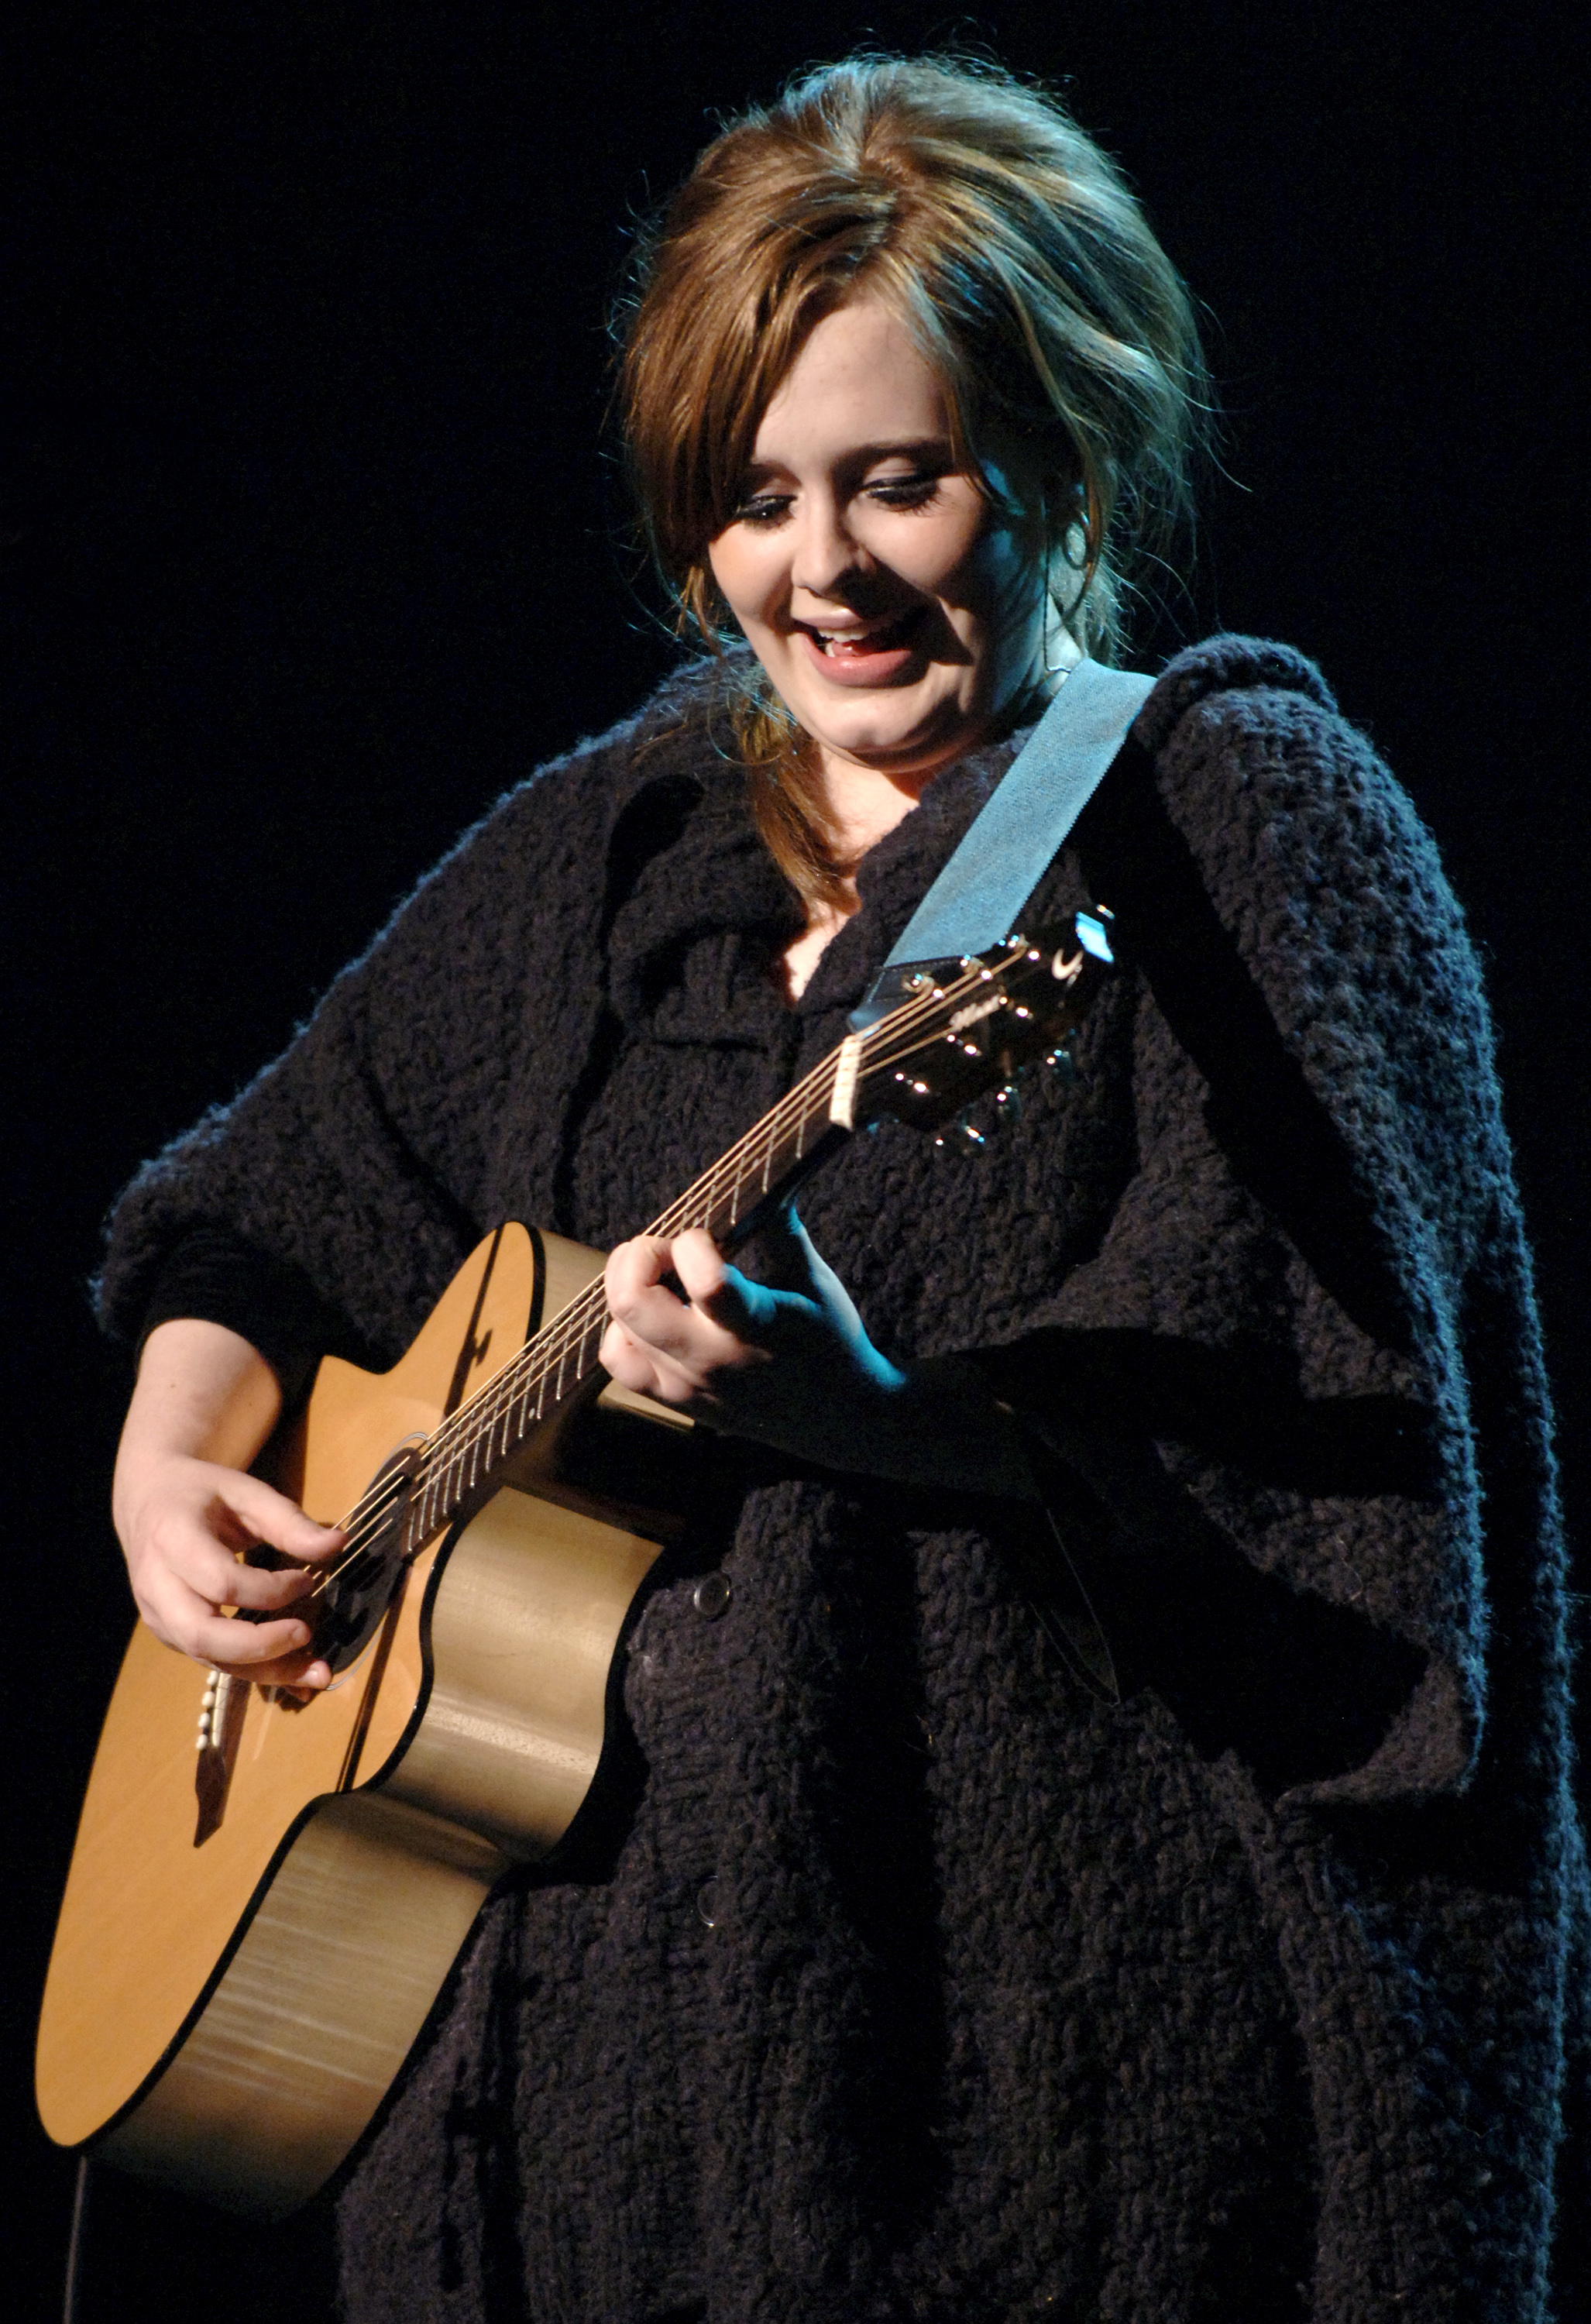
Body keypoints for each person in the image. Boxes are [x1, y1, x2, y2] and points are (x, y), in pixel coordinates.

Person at [98, 53, 1586, 2324]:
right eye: (754, 496)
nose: (816, 574)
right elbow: (261, 1200)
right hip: (554, 2158)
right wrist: (175, 1451)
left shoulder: (1241, 830)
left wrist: (888, 1417)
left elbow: (1385, 1535)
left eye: (898, 484)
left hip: (1029, 2134)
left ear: (1063, 457)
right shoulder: (614, 848)